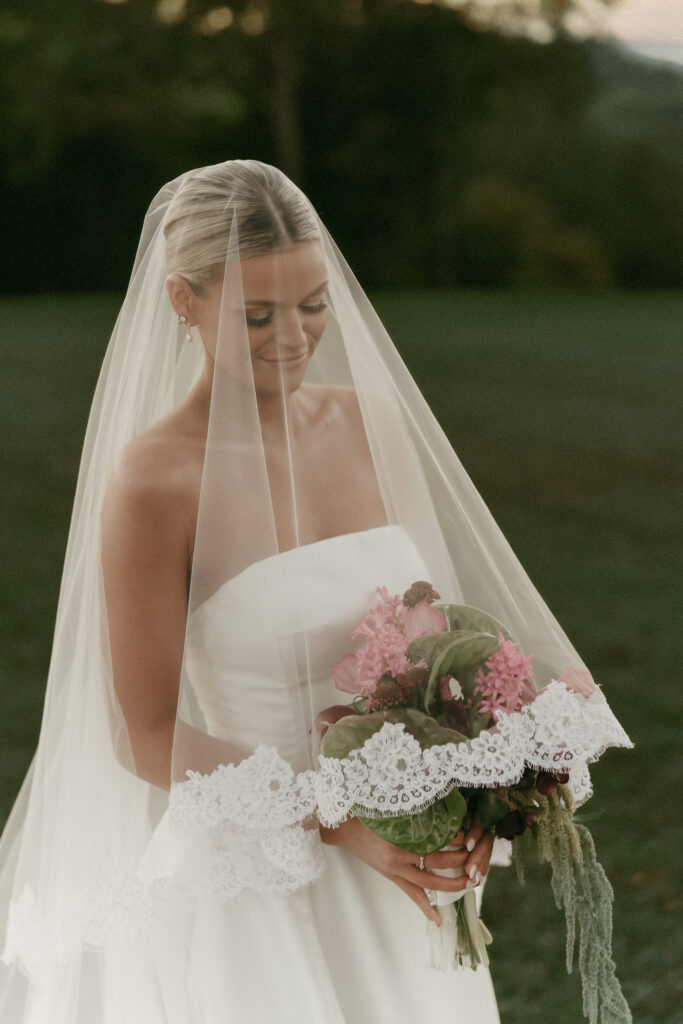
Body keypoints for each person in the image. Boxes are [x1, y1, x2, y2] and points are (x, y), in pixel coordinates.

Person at [0, 160, 631, 1023]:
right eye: (256, 315)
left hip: (405, 867)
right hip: (260, 874)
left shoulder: (368, 422)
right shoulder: (155, 480)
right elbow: (141, 733)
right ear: (184, 302)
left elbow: (434, 635)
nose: (294, 336)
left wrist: (481, 773)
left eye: (312, 304)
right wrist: (336, 819)